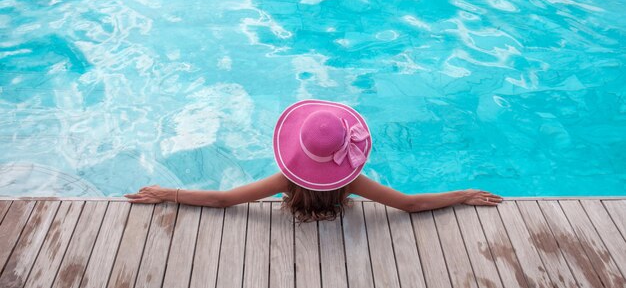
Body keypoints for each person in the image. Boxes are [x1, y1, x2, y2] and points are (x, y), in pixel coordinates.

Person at [124, 99, 503, 222]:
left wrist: (168, 192)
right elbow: (410, 204)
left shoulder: (286, 183)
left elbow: (223, 200)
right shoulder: (351, 183)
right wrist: (463, 193)